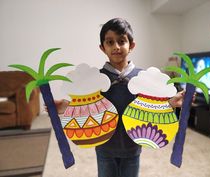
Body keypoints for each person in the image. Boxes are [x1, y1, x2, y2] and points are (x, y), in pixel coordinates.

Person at [51, 18, 185, 177]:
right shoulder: (95, 78)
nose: (116, 46)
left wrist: (170, 103)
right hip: (104, 147)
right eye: (110, 42)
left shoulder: (143, 78)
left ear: (132, 45)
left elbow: (152, 107)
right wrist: (66, 107)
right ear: (102, 48)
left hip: (132, 147)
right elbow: (86, 105)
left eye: (121, 41)